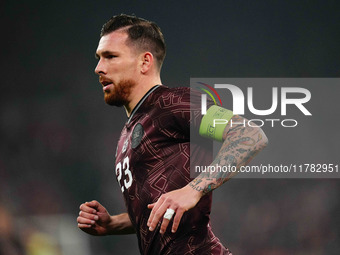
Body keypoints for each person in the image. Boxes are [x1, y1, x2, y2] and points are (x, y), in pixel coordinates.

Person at [77, 14, 268, 254]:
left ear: (144, 62)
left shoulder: (172, 102)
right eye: (98, 58)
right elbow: (159, 209)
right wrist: (114, 224)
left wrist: (194, 189)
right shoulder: (127, 134)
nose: (99, 68)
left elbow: (249, 134)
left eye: (110, 56)